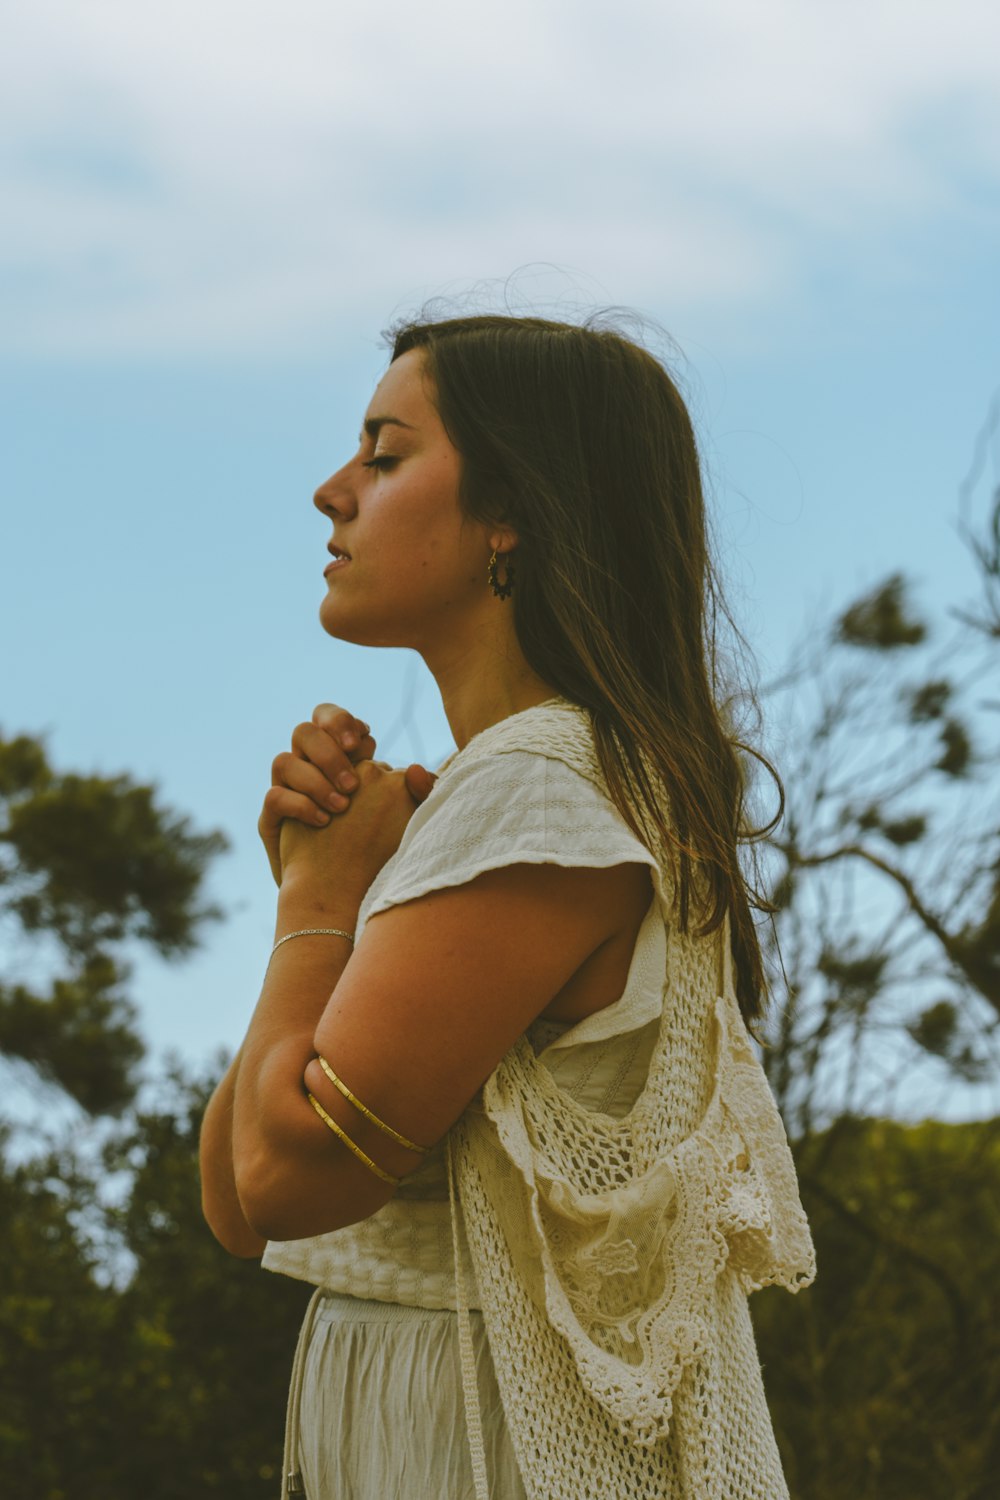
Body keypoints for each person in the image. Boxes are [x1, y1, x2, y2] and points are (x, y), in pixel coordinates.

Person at [199, 312, 816, 1500]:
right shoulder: (551, 782)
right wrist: (332, 893)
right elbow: (236, 1204)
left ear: (510, 511)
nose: (333, 492)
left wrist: (315, 908)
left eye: (384, 456)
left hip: (488, 1448)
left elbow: (285, 1178)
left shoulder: (541, 785)